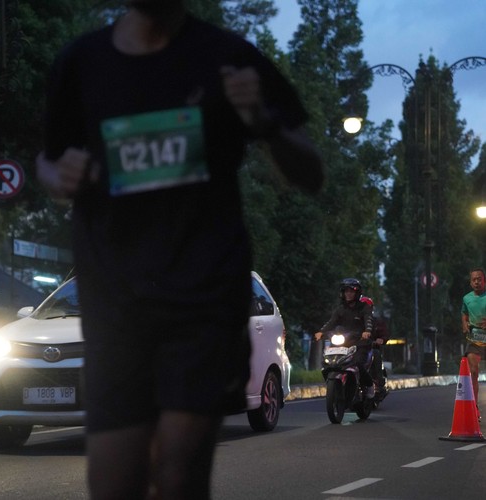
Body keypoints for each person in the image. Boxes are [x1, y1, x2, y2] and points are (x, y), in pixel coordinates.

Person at [36, 1, 324, 499]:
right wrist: (56, 175)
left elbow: (312, 173)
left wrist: (262, 120)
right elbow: (45, 159)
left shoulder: (227, 58)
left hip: (203, 304)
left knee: (178, 476)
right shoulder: (82, 62)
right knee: (113, 483)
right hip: (114, 307)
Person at [314, 278, 375, 398]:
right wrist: (321, 332)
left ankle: (369, 385)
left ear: (357, 293)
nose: (348, 294)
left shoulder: (364, 307)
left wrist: (367, 331)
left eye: (351, 291)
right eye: (346, 291)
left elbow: (368, 320)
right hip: (343, 342)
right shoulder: (340, 309)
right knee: (327, 363)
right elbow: (331, 322)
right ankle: (336, 386)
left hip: (360, 343)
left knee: (359, 363)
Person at [461, 268, 486, 422]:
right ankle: (474, 408)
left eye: (479, 279)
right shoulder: (467, 298)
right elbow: (464, 313)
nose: (477, 282)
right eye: (474, 280)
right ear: (471, 283)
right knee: (474, 371)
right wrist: (464, 324)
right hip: (475, 339)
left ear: (484, 281)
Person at [360, 295, 389, 399]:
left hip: (370, 348)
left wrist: (381, 339)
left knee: (375, 354)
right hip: (354, 348)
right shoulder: (352, 321)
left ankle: (378, 382)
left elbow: (384, 334)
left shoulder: (377, 322)